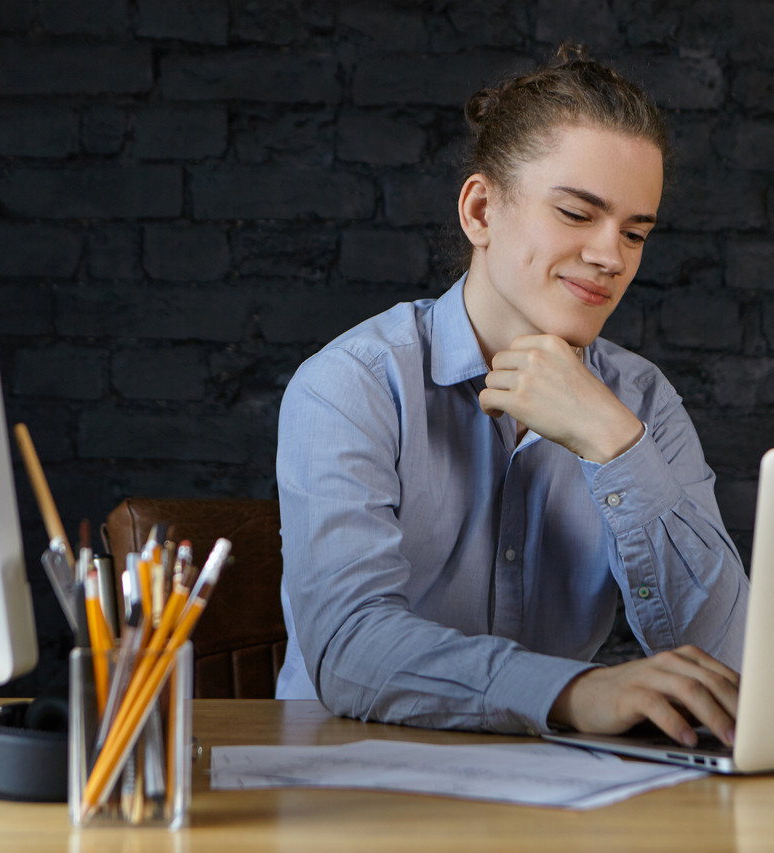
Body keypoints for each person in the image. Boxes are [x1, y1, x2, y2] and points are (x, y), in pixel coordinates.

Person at [274, 44, 748, 749]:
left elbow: (726, 661)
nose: (611, 256)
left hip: (555, 795)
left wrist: (614, 444)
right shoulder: (351, 385)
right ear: (481, 210)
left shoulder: (641, 403)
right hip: (353, 786)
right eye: (577, 214)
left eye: (635, 232)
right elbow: (350, 648)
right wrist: (572, 690)